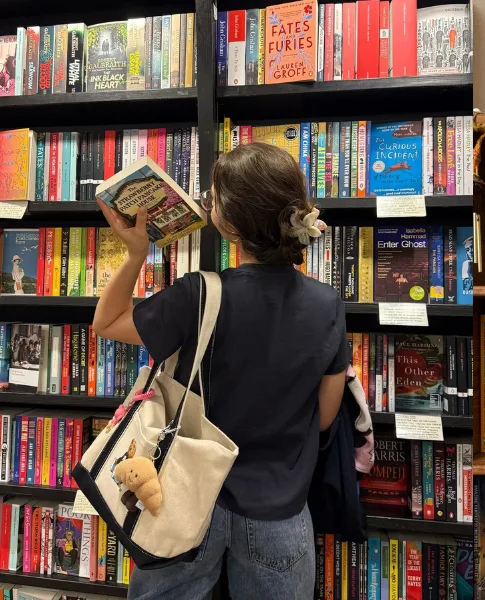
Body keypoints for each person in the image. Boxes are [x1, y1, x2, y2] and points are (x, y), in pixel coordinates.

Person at [92, 142, 350, 600]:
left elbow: (107, 323)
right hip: (278, 510)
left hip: (185, 496)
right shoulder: (327, 303)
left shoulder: (199, 293)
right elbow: (326, 416)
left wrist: (135, 254)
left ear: (227, 224)